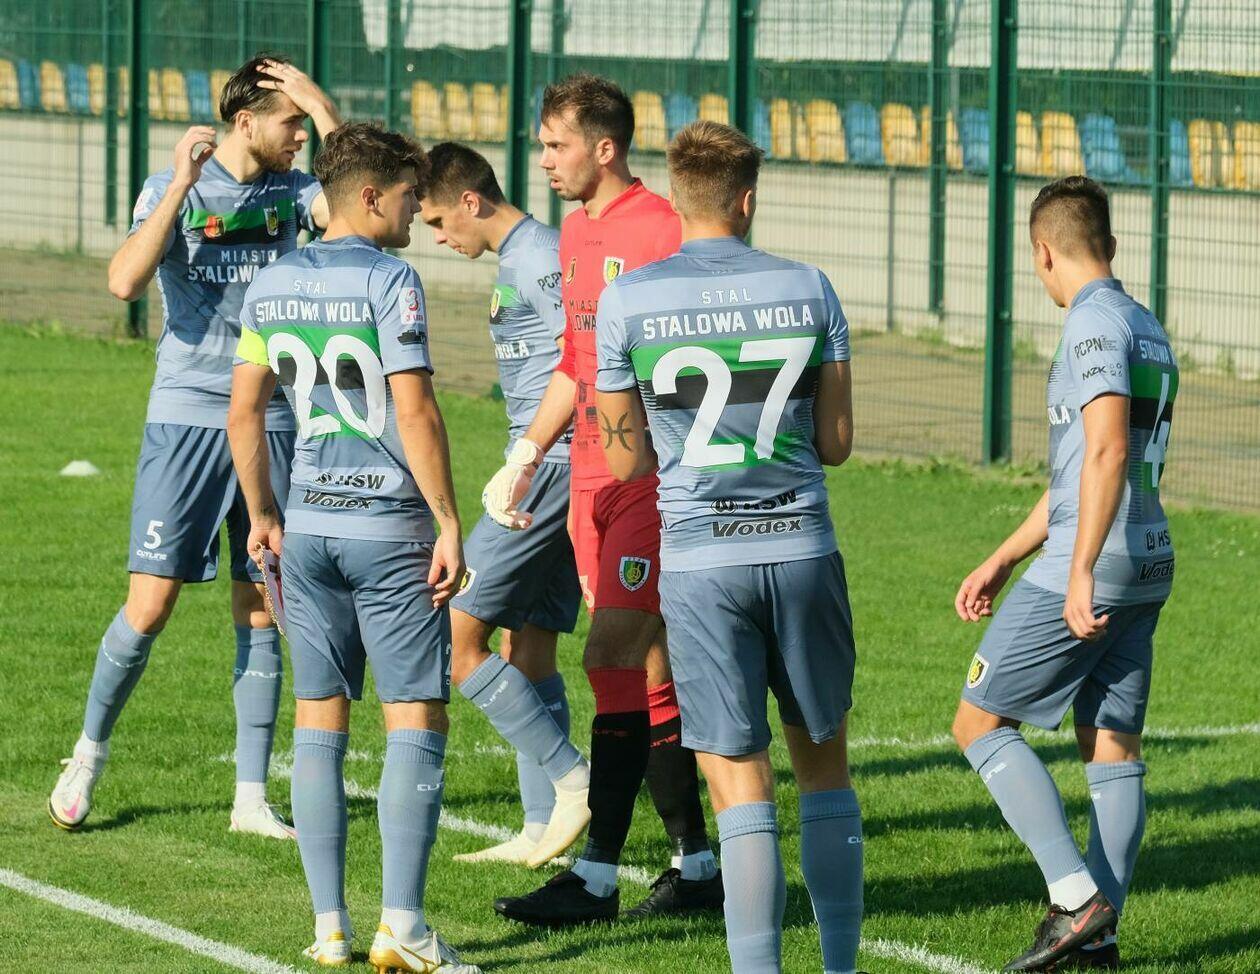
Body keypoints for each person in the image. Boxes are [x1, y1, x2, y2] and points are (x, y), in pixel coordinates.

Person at [595, 119, 864, 974]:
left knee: (740, 784)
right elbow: (836, 442)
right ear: (747, 199)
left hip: (704, 562)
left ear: (679, 200)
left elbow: (626, 460)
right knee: (823, 771)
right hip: (802, 547)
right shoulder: (811, 286)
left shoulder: (629, 300)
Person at [49, 53, 341, 839]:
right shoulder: (171, 186)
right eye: (289, 124)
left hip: (273, 418)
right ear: (245, 122)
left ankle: (251, 799)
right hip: (185, 416)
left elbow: (359, 198)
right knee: (150, 605)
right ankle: (88, 754)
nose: (299, 138)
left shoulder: (296, 192)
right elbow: (122, 282)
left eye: (303, 126)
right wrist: (180, 185)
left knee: (262, 605)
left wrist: (321, 106)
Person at [228, 122, 478, 972]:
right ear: (369, 197)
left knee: (318, 715)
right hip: (388, 530)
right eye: (407, 197)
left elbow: (244, 412)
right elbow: (415, 409)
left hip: (308, 527)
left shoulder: (270, 284)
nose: (415, 212)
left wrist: (263, 511)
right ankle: (402, 925)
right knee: (415, 713)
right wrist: (448, 521)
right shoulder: (390, 279)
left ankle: (330, 926)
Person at [488, 74, 722, 925]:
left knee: (609, 658)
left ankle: (594, 880)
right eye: (543, 146)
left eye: (557, 146)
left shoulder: (661, 228)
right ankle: (697, 865)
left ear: (605, 146)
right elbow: (577, 361)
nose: (545, 161)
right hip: (588, 481)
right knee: (648, 671)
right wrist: (525, 453)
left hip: (644, 479)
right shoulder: (576, 233)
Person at [951, 175, 1178, 972]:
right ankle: (1100, 935)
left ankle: (1077, 899)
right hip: (1147, 558)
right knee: (1110, 743)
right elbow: (1085, 467)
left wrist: (1077, 570)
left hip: (1097, 561)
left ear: (1043, 253)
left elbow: (1107, 450)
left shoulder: (1089, 325)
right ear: (1109, 245)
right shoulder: (1145, 324)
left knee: (978, 724)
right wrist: (1003, 554)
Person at [417, 141, 592, 867]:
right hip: (551, 465)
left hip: (549, 468)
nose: (436, 237)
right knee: (528, 647)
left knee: (455, 637)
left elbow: (582, 359)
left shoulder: (541, 258)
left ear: (471, 200)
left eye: (437, 220)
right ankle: (539, 825)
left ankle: (573, 780)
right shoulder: (522, 258)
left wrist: (526, 458)